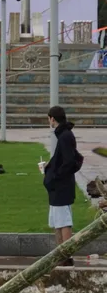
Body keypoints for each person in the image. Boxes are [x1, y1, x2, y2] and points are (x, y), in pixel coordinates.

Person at [43, 106, 81, 263]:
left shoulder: (65, 136)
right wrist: (50, 167)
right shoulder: (64, 135)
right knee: (57, 221)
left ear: (52, 119)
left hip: (61, 186)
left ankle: (66, 256)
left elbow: (69, 161)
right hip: (59, 186)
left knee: (63, 221)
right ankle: (61, 254)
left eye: (49, 119)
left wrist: (55, 176)